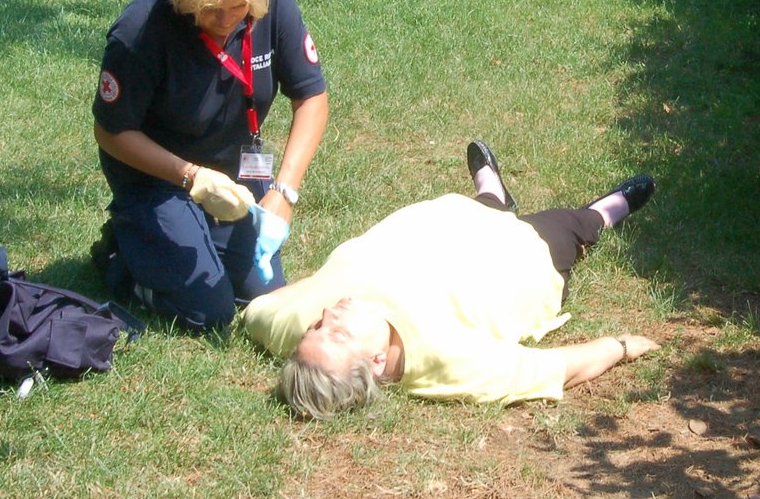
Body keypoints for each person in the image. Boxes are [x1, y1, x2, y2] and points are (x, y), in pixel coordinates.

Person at [242, 141, 659, 418]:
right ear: (377, 363)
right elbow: (552, 369)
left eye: (317, 326)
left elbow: (259, 312)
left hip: (452, 215)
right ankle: (605, 212)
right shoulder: (447, 360)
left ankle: (491, 193)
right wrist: (620, 347)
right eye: (337, 334)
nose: (328, 313)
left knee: (489, 206)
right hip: (523, 252)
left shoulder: (290, 328)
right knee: (574, 224)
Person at [90, 0, 330, 329]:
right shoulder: (139, 31)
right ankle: (122, 254)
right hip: (157, 181)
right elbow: (111, 131)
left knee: (262, 294)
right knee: (208, 310)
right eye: (211, 9)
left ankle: (186, 242)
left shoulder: (274, 2)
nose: (225, 21)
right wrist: (190, 177)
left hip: (236, 176)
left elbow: (311, 96)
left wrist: (283, 193)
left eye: (238, 8)